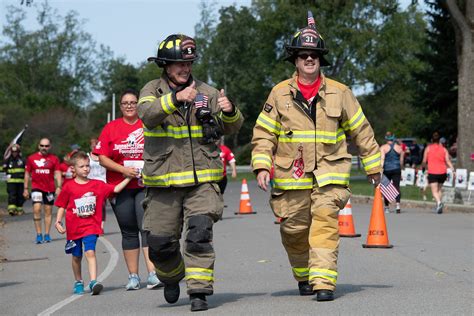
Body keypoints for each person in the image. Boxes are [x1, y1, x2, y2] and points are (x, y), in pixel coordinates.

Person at [251, 11, 381, 302]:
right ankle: (304, 275)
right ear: (295, 60)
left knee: (324, 225)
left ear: (321, 60)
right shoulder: (278, 94)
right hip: (290, 179)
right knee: (294, 231)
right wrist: (261, 164)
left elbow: (361, 130)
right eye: (303, 55)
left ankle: (323, 282)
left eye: (314, 55)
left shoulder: (341, 92)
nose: (309, 60)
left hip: (329, 177)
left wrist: (373, 166)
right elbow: (264, 133)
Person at [138, 33, 243, 311]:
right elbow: (146, 115)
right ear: (165, 66)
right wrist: (175, 98)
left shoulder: (207, 93)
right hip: (163, 183)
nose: (185, 69)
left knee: (199, 234)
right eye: (178, 64)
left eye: (189, 64)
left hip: (203, 181)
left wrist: (229, 111)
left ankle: (199, 292)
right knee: (160, 245)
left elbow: (230, 127)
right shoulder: (151, 90)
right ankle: (172, 277)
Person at [94, 89, 163, 290]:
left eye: (133, 102)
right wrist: (124, 170)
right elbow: (102, 157)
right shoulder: (111, 128)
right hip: (121, 187)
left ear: (139, 104)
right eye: (125, 103)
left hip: (145, 186)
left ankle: (152, 274)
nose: (130, 106)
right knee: (129, 231)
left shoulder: (147, 124)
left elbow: (161, 150)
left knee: (146, 228)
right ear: (121, 106)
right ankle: (133, 276)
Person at [54, 151, 131, 295]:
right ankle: (78, 280)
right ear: (73, 169)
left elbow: (115, 189)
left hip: (91, 227)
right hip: (74, 228)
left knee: (90, 252)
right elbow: (62, 205)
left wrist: (128, 178)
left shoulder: (97, 185)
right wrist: (58, 221)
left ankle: (94, 281)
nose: (86, 169)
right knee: (76, 256)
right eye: (82, 166)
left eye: (88, 166)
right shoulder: (68, 187)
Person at [23, 138, 62, 244]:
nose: (44, 148)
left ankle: (47, 234)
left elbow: (58, 172)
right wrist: (26, 188)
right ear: (38, 146)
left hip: (49, 188)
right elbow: (27, 173)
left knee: (48, 211)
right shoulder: (31, 158)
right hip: (36, 187)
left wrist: (59, 186)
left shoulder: (54, 159)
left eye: (46, 146)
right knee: (36, 209)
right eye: (42, 145)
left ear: (50, 147)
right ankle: (39, 234)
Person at [422, 131, 454, 214]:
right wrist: (453, 170)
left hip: (433, 172)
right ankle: (438, 206)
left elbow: (424, 161)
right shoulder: (444, 149)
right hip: (443, 172)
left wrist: (423, 168)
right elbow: (448, 161)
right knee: (439, 189)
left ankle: (439, 203)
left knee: (434, 191)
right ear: (439, 140)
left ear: (432, 140)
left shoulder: (428, 148)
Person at [380, 131, 404, 213]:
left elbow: (382, 159)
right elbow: (401, 161)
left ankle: (387, 207)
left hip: (387, 169)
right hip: (397, 169)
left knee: (386, 187)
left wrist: (380, 170)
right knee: (397, 186)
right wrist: (401, 170)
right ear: (393, 137)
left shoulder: (383, 147)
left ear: (386, 138)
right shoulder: (399, 148)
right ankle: (398, 205)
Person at [3, 144, 26, 216]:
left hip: (20, 181)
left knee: (20, 196)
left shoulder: (22, 160)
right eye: (13, 152)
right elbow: (3, 168)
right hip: (11, 182)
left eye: (16, 152)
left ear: (18, 152)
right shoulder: (8, 160)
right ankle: (11, 209)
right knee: (12, 195)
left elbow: (27, 170)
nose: (14, 153)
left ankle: (19, 210)